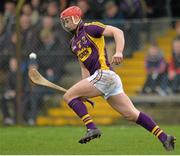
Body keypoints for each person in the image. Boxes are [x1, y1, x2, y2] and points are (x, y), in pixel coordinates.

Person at [59, 6, 176, 150]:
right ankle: (164, 137)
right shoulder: (73, 44)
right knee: (132, 115)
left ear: (76, 18)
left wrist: (119, 52)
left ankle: (91, 128)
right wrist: (83, 90)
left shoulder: (91, 28)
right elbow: (84, 67)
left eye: (67, 21)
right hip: (103, 79)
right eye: (63, 22)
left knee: (68, 96)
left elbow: (117, 31)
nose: (65, 24)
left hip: (104, 74)